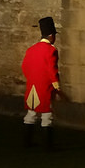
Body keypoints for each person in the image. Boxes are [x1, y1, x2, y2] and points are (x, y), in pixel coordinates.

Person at [21, 16, 63, 150]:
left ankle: (27, 142)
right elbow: (52, 70)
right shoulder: (51, 50)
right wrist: (57, 85)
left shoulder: (31, 49)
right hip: (45, 87)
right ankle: (47, 145)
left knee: (31, 114)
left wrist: (32, 78)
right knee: (47, 115)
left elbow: (24, 67)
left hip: (32, 86)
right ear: (51, 36)